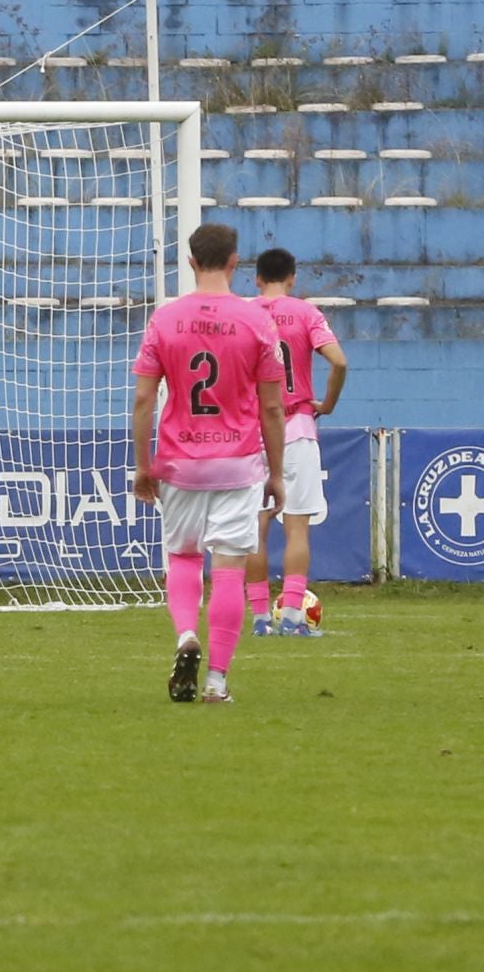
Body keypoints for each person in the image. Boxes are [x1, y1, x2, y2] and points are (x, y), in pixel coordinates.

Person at [132, 223, 286, 704]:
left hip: (180, 461)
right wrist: (277, 473)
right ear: (235, 262)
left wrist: (143, 465)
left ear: (191, 262)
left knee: (182, 556)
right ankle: (217, 682)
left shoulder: (164, 319)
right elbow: (273, 406)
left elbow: (143, 400)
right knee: (229, 570)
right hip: (238, 463)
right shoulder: (257, 321)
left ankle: (186, 636)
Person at [247, 247, 350, 638]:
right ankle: (292, 618)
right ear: (292, 278)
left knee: (255, 526)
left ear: (257, 278)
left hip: (253, 431)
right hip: (297, 428)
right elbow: (339, 361)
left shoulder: (244, 314)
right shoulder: (306, 313)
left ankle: (260, 618)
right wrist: (328, 404)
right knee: (297, 527)